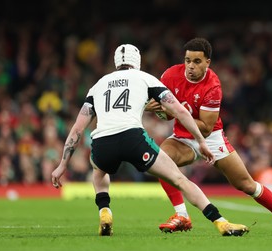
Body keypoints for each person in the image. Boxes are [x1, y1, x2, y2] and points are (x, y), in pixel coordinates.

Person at [51, 44, 248, 237]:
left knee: (98, 169)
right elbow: (179, 110)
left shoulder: (98, 85)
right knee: (179, 179)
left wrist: (62, 165)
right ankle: (220, 222)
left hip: (103, 141)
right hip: (133, 138)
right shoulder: (145, 78)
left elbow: (77, 129)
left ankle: (105, 211)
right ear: (137, 61)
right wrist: (201, 141)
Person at [146, 38, 272, 235]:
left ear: (208, 62)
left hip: (212, 139)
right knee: (160, 160)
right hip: (183, 137)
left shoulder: (213, 85)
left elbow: (206, 128)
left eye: (197, 61)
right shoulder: (170, 75)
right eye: (187, 60)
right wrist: (153, 108)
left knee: (247, 185)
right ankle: (182, 215)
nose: (190, 66)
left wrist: (173, 112)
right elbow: (159, 109)